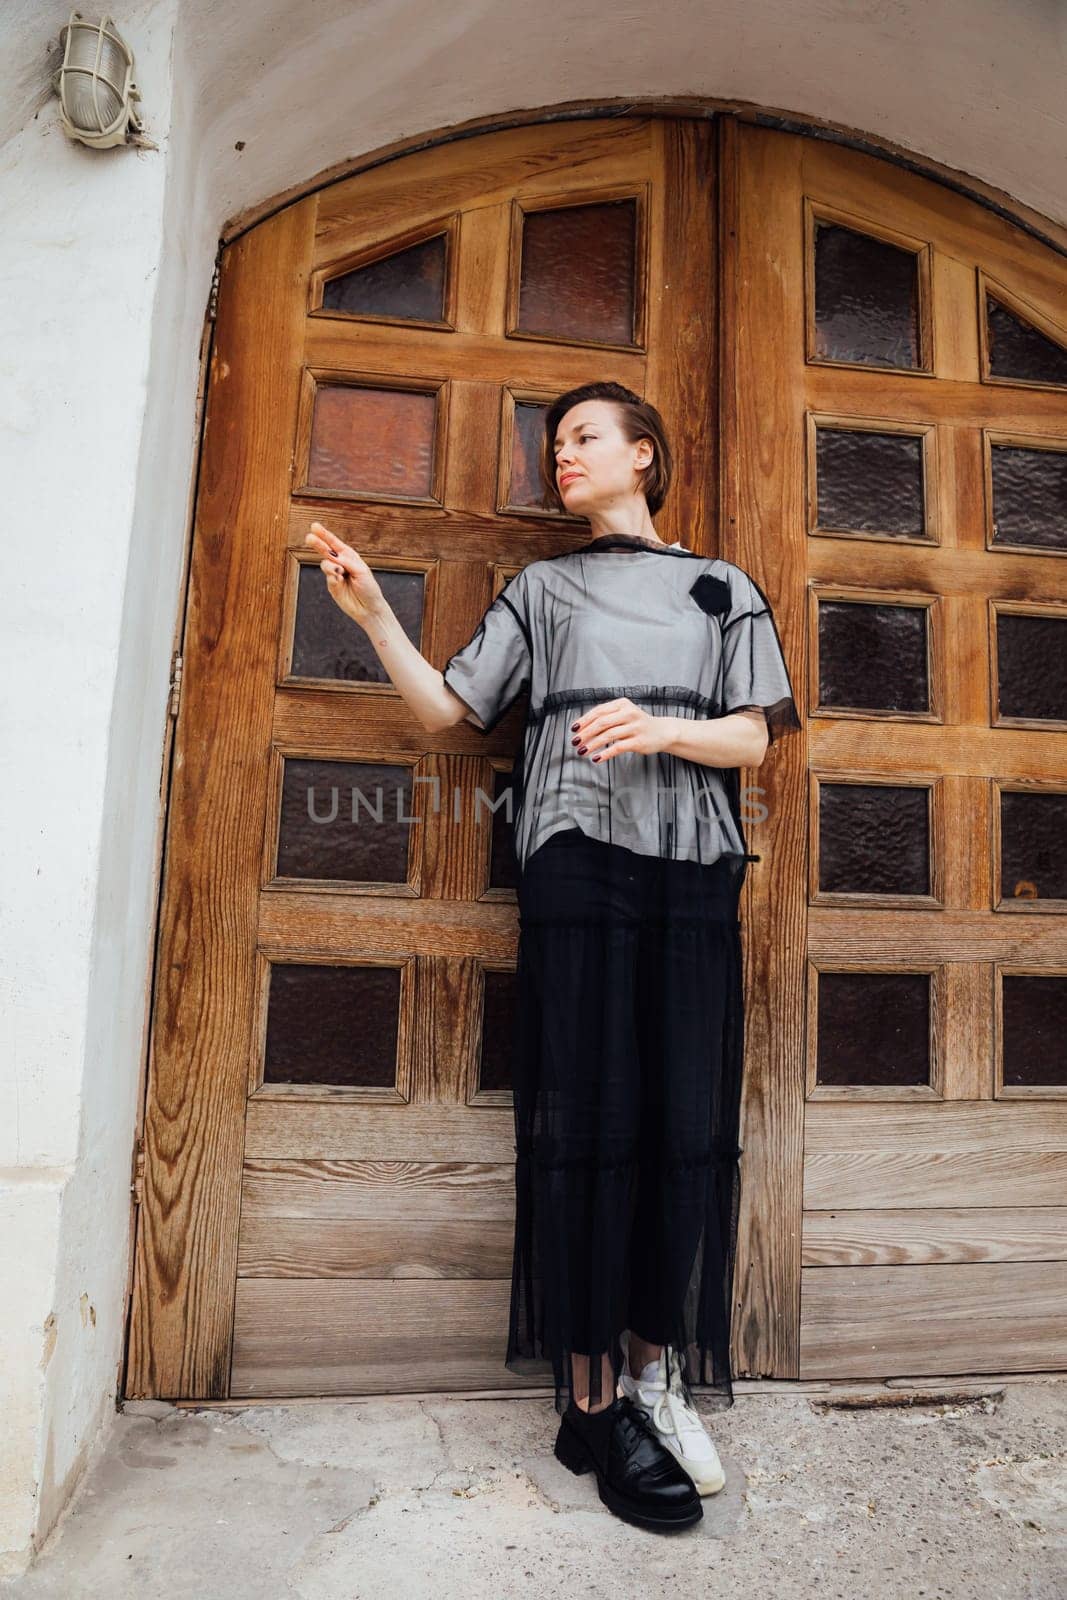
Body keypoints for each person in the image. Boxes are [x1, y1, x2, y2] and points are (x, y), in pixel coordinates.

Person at [305, 380, 801, 1535]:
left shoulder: (720, 586)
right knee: (585, 1123)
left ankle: (645, 1372)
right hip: (575, 868)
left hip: (691, 871)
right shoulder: (542, 588)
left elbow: (754, 734)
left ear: (646, 455)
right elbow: (448, 711)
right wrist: (375, 614)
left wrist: (661, 725)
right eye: (554, 445)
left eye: (584, 438)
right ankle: (585, 1406)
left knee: (682, 1123)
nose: (561, 458)